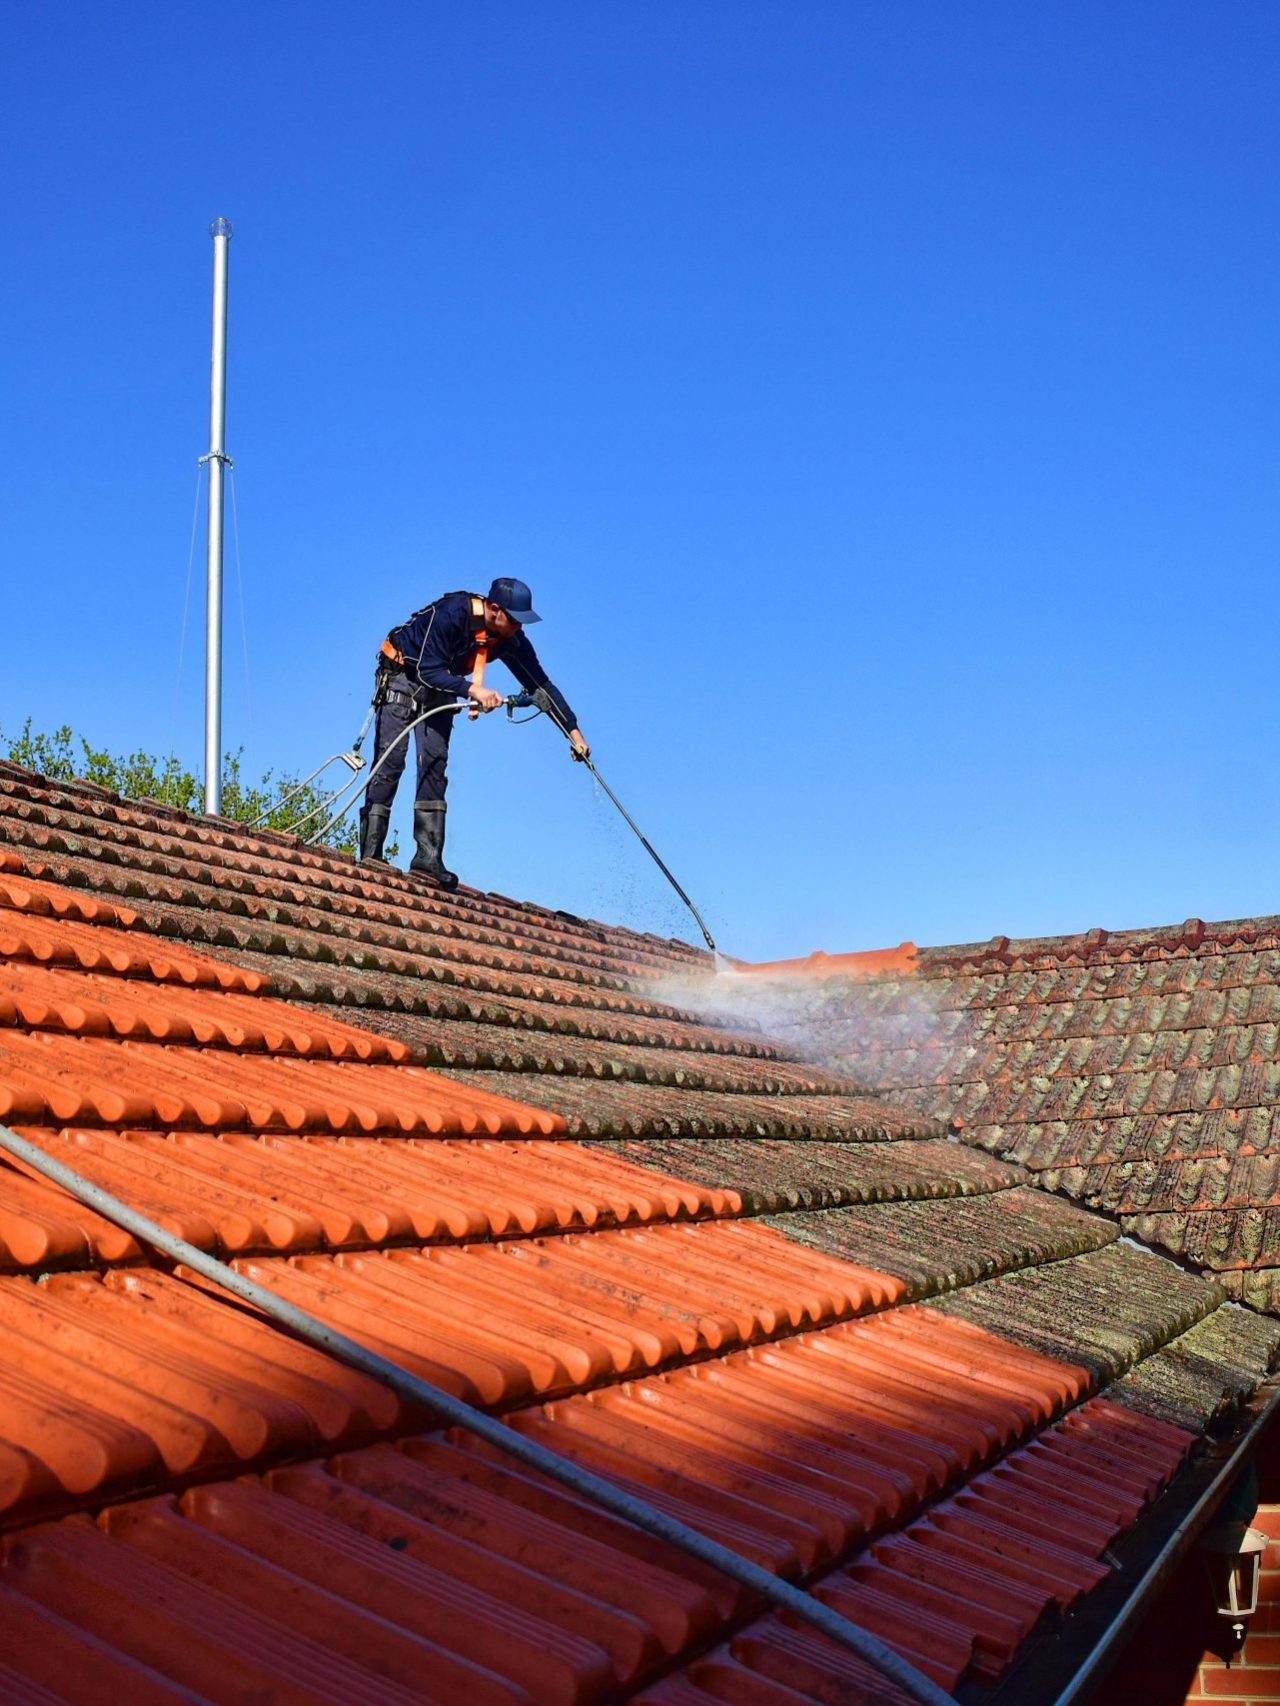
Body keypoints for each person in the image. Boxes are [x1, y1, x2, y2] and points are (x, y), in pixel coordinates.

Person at [358, 576, 590, 886]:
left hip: (445, 684)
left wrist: (573, 732)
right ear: (494, 609)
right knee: (391, 761)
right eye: (514, 620)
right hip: (404, 674)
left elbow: (540, 684)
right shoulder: (452, 614)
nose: (518, 628)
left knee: (434, 763)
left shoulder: (511, 640)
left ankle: (427, 859)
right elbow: (427, 670)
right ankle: (371, 856)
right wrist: (473, 690)